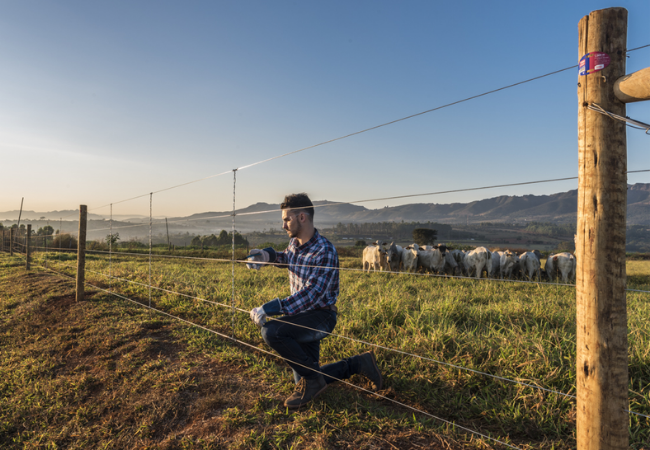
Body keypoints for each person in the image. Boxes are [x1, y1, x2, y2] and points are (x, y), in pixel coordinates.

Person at [247, 193, 383, 409]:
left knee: (272, 331)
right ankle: (359, 363)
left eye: (286, 219)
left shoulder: (325, 250)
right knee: (305, 378)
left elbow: (313, 293)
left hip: (321, 317)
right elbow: (287, 258)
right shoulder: (294, 244)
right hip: (300, 317)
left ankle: (314, 380)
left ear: (302, 217)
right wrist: (266, 256)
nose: (283, 225)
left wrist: (271, 308)